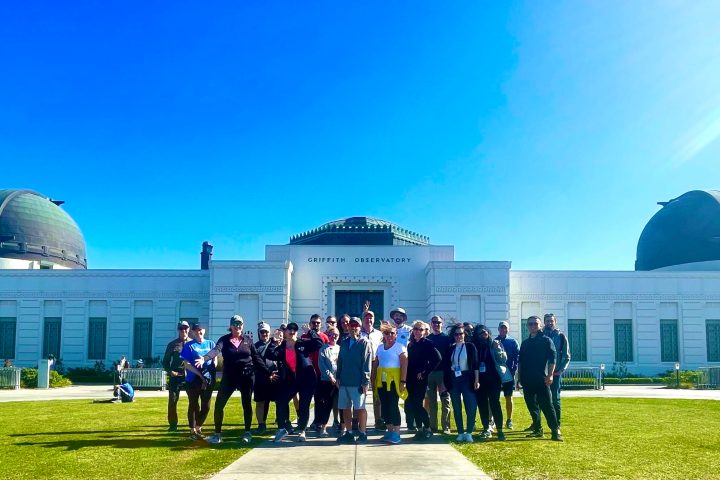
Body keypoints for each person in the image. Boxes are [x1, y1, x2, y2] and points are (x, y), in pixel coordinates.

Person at [199, 315, 271, 445]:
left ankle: (247, 432)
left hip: (246, 377)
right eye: (235, 324)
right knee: (219, 404)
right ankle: (217, 435)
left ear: (242, 326)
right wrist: (205, 358)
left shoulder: (247, 341)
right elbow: (216, 350)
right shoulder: (224, 340)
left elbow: (256, 359)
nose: (238, 327)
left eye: (240, 324)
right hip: (230, 377)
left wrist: (268, 372)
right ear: (231, 326)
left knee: (246, 404)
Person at [267, 322, 324, 442]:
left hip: (307, 380)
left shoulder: (302, 343)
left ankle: (302, 431)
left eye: (294, 330)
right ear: (285, 332)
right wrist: (273, 341)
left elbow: (319, 343)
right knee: (281, 401)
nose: (292, 332)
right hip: (291, 381)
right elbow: (270, 354)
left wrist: (311, 332)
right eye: (289, 330)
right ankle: (282, 429)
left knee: (304, 405)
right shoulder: (282, 347)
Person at [518, 315, 563, 441]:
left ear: (540, 325)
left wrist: (550, 375)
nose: (533, 326)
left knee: (547, 406)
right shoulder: (525, 343)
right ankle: (537, 429)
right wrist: (519, 378)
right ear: (527, 326)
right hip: (527, 380)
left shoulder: (546, 340)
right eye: (530, 324)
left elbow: (552, 359)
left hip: (542, 380)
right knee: (532, 406)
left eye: (535, 324)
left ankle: (555, 431)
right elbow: (520, 362)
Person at [336, 316, 372, 444]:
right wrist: (338, 377)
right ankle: (349, 433)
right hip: (344, 382)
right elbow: (340, 361)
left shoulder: (364, 343)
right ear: (348, 327)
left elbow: (367, 364)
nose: (353, 328)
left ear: (360, 327)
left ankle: (362, 433)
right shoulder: (344, 342)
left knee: (360, 408)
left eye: (356, 325)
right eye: (351, 325)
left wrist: (365, 382)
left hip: (358, 383)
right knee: (345, 408)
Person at [406, 320, 441, 441]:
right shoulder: (410, 344)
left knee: (418, 404)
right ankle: (419, 429)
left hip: (420, 379)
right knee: (413, 404)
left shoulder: (428, 343)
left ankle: (428, 428)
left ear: (425, 331)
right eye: (415, 329)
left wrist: (425, 372)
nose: (417, 331)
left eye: (420, 329)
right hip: (410, 378)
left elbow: (437, 359)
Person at [443, 323, 479, 443]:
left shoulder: (470, 346)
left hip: (467, 377)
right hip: (454, 379)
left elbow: (475, 364)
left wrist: (476, 380)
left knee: (471, 405)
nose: (459, 336)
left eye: (461, 334)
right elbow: (447, 365)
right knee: (456, 406)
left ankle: (469, 432)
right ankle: (460, 432)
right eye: (456, 334)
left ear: (465, 334)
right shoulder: (451, 348)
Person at [373, 322, 408, 445]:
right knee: (385, 406)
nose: (389, 335)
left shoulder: (400, 347)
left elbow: (404, 365)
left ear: (396, 334)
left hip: (394, 381)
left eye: (392, 333)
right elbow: (375, 364)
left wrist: (403, 381)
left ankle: (397, 433)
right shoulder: (380, 348)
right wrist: (373, 381)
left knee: (393, 405)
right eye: (387, 333)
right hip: (382, 382)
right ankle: (389, 430)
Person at [180, 323, 216, 441]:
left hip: (207, 379)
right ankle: (193, 430)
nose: (198, 332)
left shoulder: (210, 343)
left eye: (200, 330)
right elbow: (186, 363)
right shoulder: (189, 345)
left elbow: (214, 357)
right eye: (196, 330)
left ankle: (198, 426)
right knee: (194, 404)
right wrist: (199, 374)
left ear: (204, 330)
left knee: (206, 406)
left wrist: (212, 367)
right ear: (193, 332)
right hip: (193, 379)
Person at [471, 326, 508, 441]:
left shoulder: (494, 343)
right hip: (480, 380)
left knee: (495, 403)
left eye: (485, 331)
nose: (484, 333)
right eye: (481, 332)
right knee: (482, 405)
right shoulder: (475, 346)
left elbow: (503, 359)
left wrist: (498, 349)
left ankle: (500, 430)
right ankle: (486, 428)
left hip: (493, 380)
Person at [425, 315, 453, 434]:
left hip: (443, 373)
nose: (436, 324)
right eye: (434, 322)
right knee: (431, 402)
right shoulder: (428, 339)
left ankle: (446, 427)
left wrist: (448, 375)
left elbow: (450, 357)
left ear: (442, 323)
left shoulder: (447, 339)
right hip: (430, 374)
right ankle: (433, 426)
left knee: (445, 400)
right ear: (431, 324)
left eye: (438, 322)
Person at [162, 320, 191, 432]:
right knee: (172, 401)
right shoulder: (172, 344)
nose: (183, 330)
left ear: (188, 329)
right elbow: (165, 362)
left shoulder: (193, 343)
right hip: (176, 376)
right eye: (181, 328)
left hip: (189, 376)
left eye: (185, 328)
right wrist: (170, 372)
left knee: (193, 401)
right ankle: (173, 425)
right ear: (178, 329)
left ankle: (192, 425)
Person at [543, 313, 571, 428]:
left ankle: (556, 424)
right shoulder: (540, 335)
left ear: (555, 322)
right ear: (544, 322)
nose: (549, 323)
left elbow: (567, 356)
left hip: (555, 373)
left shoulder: (561, 336)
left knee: (555, 399)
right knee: (539, 400)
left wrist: (560, 370)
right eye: (547, 321)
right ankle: (537, 425)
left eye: (551, 321)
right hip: (541, 373)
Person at [303, 314, 329, 431]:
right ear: (310, 323)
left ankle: (318, 421)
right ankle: (303, 421)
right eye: (313, 322)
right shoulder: (304, 336)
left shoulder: (324, 337)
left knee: (320, 399)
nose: (316, 324)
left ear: (321, 324)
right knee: (307, 399)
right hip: (308, 373)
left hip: (321, 373)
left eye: (318, 322)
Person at [389, 307, 414, 429]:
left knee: (408, 396)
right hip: (392, 367)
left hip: (406, 366)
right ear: (393, 317)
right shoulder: (389, 330)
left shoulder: (409, 330)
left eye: (400, 315)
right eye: (396, 315)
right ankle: (390, 421)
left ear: (404, 318)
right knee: (392, 397)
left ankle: (410, 422)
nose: (398, 317)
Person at [360, 307, 384, 430]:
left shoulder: (379, 334)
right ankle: (357, 420)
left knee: (377, 392)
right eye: (366, 317)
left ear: (373, 319)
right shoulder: (358, 333)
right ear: (362, 319)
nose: (368, 319)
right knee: (360, 392)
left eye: (371, 317)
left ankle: (378, 419)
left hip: (376, 363)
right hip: (361, 364)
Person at [254, 322, 279, 435]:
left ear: (270, 333)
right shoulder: (254, 346)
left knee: (278, 402)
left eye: (266, 332)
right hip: (260, 378)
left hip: (275, 378)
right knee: (260, 403)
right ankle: (261, 424)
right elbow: (256, 363)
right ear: (259, 333)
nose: (264, 334)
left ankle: (281, 423)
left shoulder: (275, 344)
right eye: (262, 332)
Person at [316, 326, 341, 437]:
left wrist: (338, 378)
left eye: (335, 334)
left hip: (340, 382)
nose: (333, 336)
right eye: (331, 334)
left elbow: (343, 365)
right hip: (327, 382)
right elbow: (322, 365)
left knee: (341, 405)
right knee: (326, 405)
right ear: (328, 336)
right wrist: (331, 377)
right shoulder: (323, 349)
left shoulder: (341, 348)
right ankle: (323, 428)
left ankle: (341, 426)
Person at [495, 321, 520, 430]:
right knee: (494, 398)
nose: (503, 330)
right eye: (501, 328)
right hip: (496, 374)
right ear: (498, 329)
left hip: (509, 374)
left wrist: (514, 370)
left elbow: (518, 358)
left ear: (508, 329)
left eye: (505, 328)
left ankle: (509, 420)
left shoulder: (513, 342)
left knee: (508, 397)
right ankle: (493, 420)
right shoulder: (493, 341)